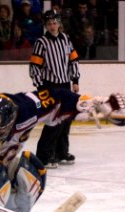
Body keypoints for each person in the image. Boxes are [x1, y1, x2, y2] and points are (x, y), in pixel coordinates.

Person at [29, 10, 80, 168]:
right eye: (49, 23)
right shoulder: (41, 42)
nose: (52, 26)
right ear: (46, 25)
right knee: (53, 122)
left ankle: (61, 153)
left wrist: (75, 79)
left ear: (59, 23)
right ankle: (44, 156)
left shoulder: (66, 39)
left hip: (65, 85)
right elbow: (34, 67)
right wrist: (41, 87)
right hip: (50, 86)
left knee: (65, 120)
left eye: (54, 22)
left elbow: (73, 61)